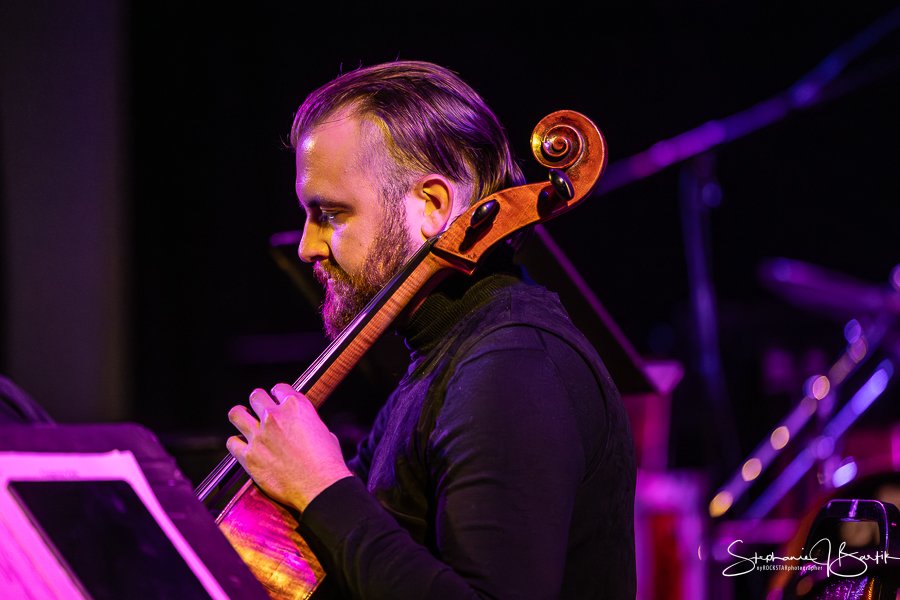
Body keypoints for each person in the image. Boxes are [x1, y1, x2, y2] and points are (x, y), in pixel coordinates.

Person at [226, 61, 636, 599]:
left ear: (432, 206)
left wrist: (322, 488)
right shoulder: (439, 355)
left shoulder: (513, 367)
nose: (306, 246)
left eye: (330, 213)